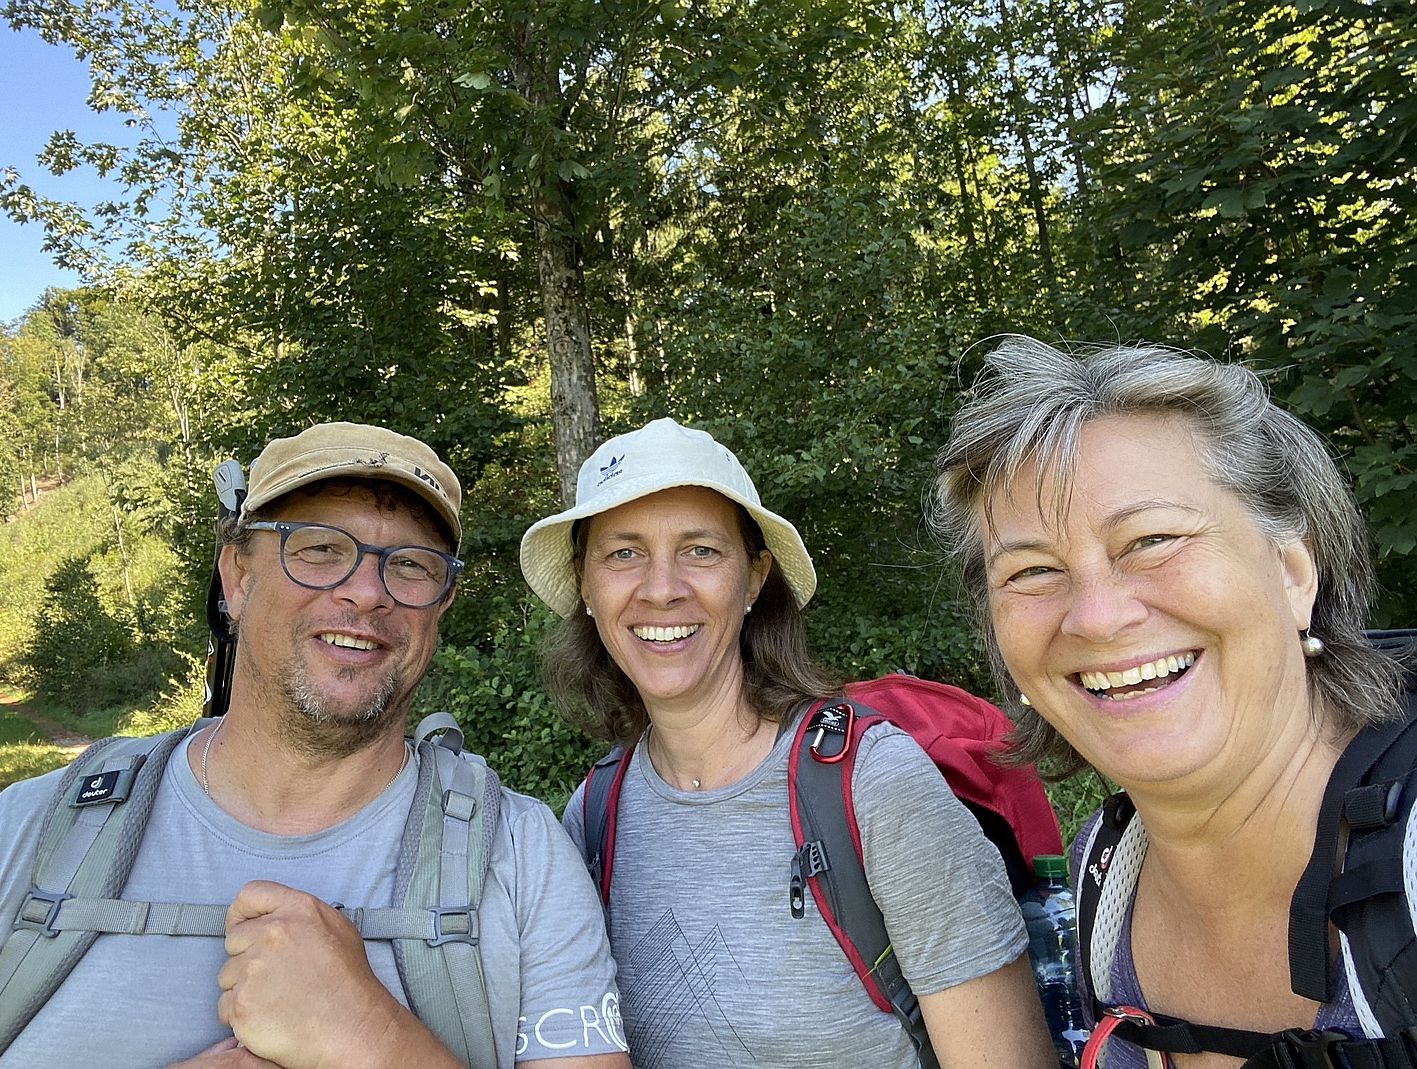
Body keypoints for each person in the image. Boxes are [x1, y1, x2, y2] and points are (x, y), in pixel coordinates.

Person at [0, 422, 631, 1069]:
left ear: (441, 603)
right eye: (319, 549)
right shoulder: (21, 839)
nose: (366, 592)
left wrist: (376, 1040)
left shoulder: (521, 858)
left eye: (411, 564)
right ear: (236, 577)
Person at [930, 337, 1411, 1068]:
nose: (1098, 617)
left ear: (1292, 570)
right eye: (1031, 572)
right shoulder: (1106, 872)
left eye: (1152, 539)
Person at [518, 416, 1054, 1069]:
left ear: (753, 578)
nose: (661, 588)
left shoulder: (872, 785)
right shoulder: (595, 816)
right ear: (586, 585)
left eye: (700, 550)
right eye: (624, 553)